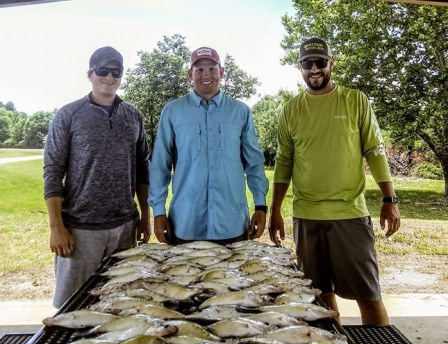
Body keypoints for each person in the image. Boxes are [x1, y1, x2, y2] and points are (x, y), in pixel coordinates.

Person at [268, 36, 400, 325]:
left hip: (350, 214)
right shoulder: (290, 109)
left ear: (331, 64)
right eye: (307, 63)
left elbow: (375, 151)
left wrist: (390, 199)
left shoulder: (355, 100)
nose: (314, 69)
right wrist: (275, 210)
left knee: (368, 293)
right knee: (319, 296)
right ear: (299, 67)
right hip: (306, 215)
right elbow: (284, 163)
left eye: (320, 62)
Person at [43, 46, 151, 309]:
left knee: (119, 305)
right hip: (80, 230)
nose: (109, 77)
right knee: (72, 308)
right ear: (90, 73)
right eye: (103, 70)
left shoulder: (132, 115)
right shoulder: (68, 115)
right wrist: (56, 227)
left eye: (116, 71)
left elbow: (142, 168)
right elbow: (53, 170)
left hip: (125, 229)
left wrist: (145, 218)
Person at [149, 46, 269, 245]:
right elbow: (160, 165)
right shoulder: (172, 112)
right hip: (185, 224)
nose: (206, 75)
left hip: (232, 224)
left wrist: (261, 206)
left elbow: (254, 163)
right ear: (190, 74)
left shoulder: (240, 112)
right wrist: (158, 212)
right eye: (199, 70)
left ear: (221, 72)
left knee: (234, 277)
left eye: (212, 69)